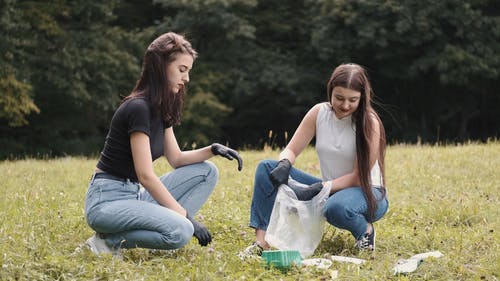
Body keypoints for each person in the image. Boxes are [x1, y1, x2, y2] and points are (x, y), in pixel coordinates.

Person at [84, 32, 243, 257]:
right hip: (106, 202)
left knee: (207, 172)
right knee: (181, 231)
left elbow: (176, 159)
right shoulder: (138, 108)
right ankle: (107, 242)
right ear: (161, 67)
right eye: (182, 70)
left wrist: (212, 150)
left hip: (134, 196)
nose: (186, 78)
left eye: (188, 71)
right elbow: (146, 175)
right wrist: (186, 217)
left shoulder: (160, 109)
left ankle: (157, 233)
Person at [240, 63, 388, 258]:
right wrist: (285, 163)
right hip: (331, 190)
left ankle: (365, 231)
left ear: (362, 97)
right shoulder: (319, 113)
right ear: (330, 91)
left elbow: (358, 177)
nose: (345, 105)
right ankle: (262, 242)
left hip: (368, 193)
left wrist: (320, 188)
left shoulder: (369, 123)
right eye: (339, 98)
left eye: (353, 100)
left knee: (336, 208)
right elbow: (291, 149)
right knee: (267, 168)